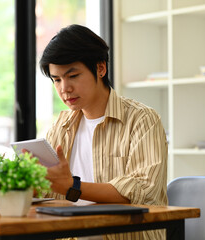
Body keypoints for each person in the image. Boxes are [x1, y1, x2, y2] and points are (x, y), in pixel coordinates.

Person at [39, 24, 168, 240]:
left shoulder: (142, 120)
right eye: (57, 80)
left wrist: (73, 186)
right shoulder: (61, 127)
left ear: (100, 68)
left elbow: (142, 190)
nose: (64, 89)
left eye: (73, 76)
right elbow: (49, 193)